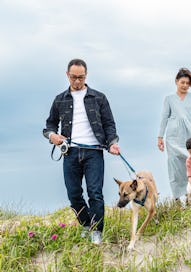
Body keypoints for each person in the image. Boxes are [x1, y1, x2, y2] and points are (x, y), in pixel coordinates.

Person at [43, 59, 120, 244]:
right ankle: (86, 224)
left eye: (81, 77)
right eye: (73, 77)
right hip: (70, 152)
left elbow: (109, 124)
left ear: (86, 75)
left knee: (95, 193)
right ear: (67, 75)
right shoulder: (59, 99)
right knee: (74, 194)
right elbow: (49, 125)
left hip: (94, 152)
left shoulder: (99, 97)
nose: (77, 81)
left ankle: (97, 231)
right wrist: (52, 135)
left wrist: (112, 143)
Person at [158, 68, 191, 203]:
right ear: (176, 81)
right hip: (173, 137)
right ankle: (177, 198)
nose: (185, 85)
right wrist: (160, 137)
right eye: (182, 82)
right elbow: (164, 118)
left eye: (188, 83)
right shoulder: (169, 99)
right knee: (175, 166)